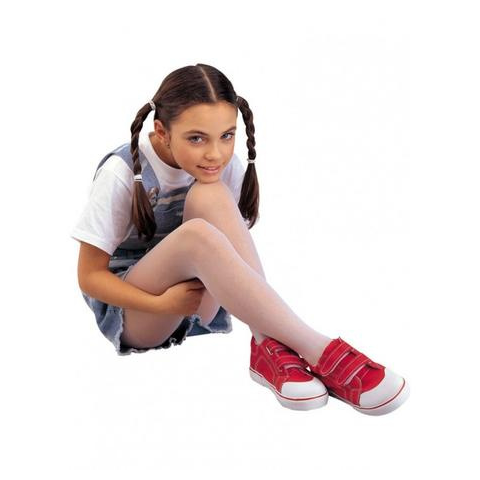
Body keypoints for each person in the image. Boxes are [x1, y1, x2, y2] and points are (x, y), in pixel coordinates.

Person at [71, 63, 410, 415]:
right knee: (197, 235)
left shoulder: (220, 167)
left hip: (196, 301)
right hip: (140, 314)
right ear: (161, 131)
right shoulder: (122, 173)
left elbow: (229, 253)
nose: (215, 154)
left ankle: (267, 346)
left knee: (211, 194)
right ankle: (319, 349)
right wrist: (162, 305)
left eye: (227, 136)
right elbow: (89, 276)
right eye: (196, 138)